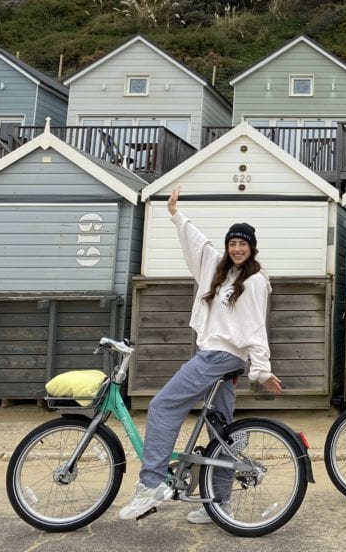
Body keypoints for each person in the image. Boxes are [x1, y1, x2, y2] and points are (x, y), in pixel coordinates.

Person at [119, 186, 283, 522]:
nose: (237, 248)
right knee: (220, 428)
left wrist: (262, 370)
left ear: (252, 248)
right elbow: (198, 242)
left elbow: (255, 326)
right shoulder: (217, 268)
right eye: (233, 243)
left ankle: (152, 484)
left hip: (219, 357)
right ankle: (219, 503)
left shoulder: (254, 281)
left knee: (162, 406)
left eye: (243, 243)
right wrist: (176, 214)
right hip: (220, 357)